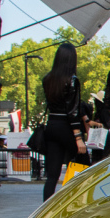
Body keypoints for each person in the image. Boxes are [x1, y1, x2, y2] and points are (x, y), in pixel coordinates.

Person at [41, 43, 87, 200]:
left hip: (51, 125)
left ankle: (45, 212)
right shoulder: (72, 80)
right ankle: (73, 201)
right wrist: (79, 138)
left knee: (52, 175)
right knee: (80, 164)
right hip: (65, 127)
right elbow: (72, 111)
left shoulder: (48, 79)